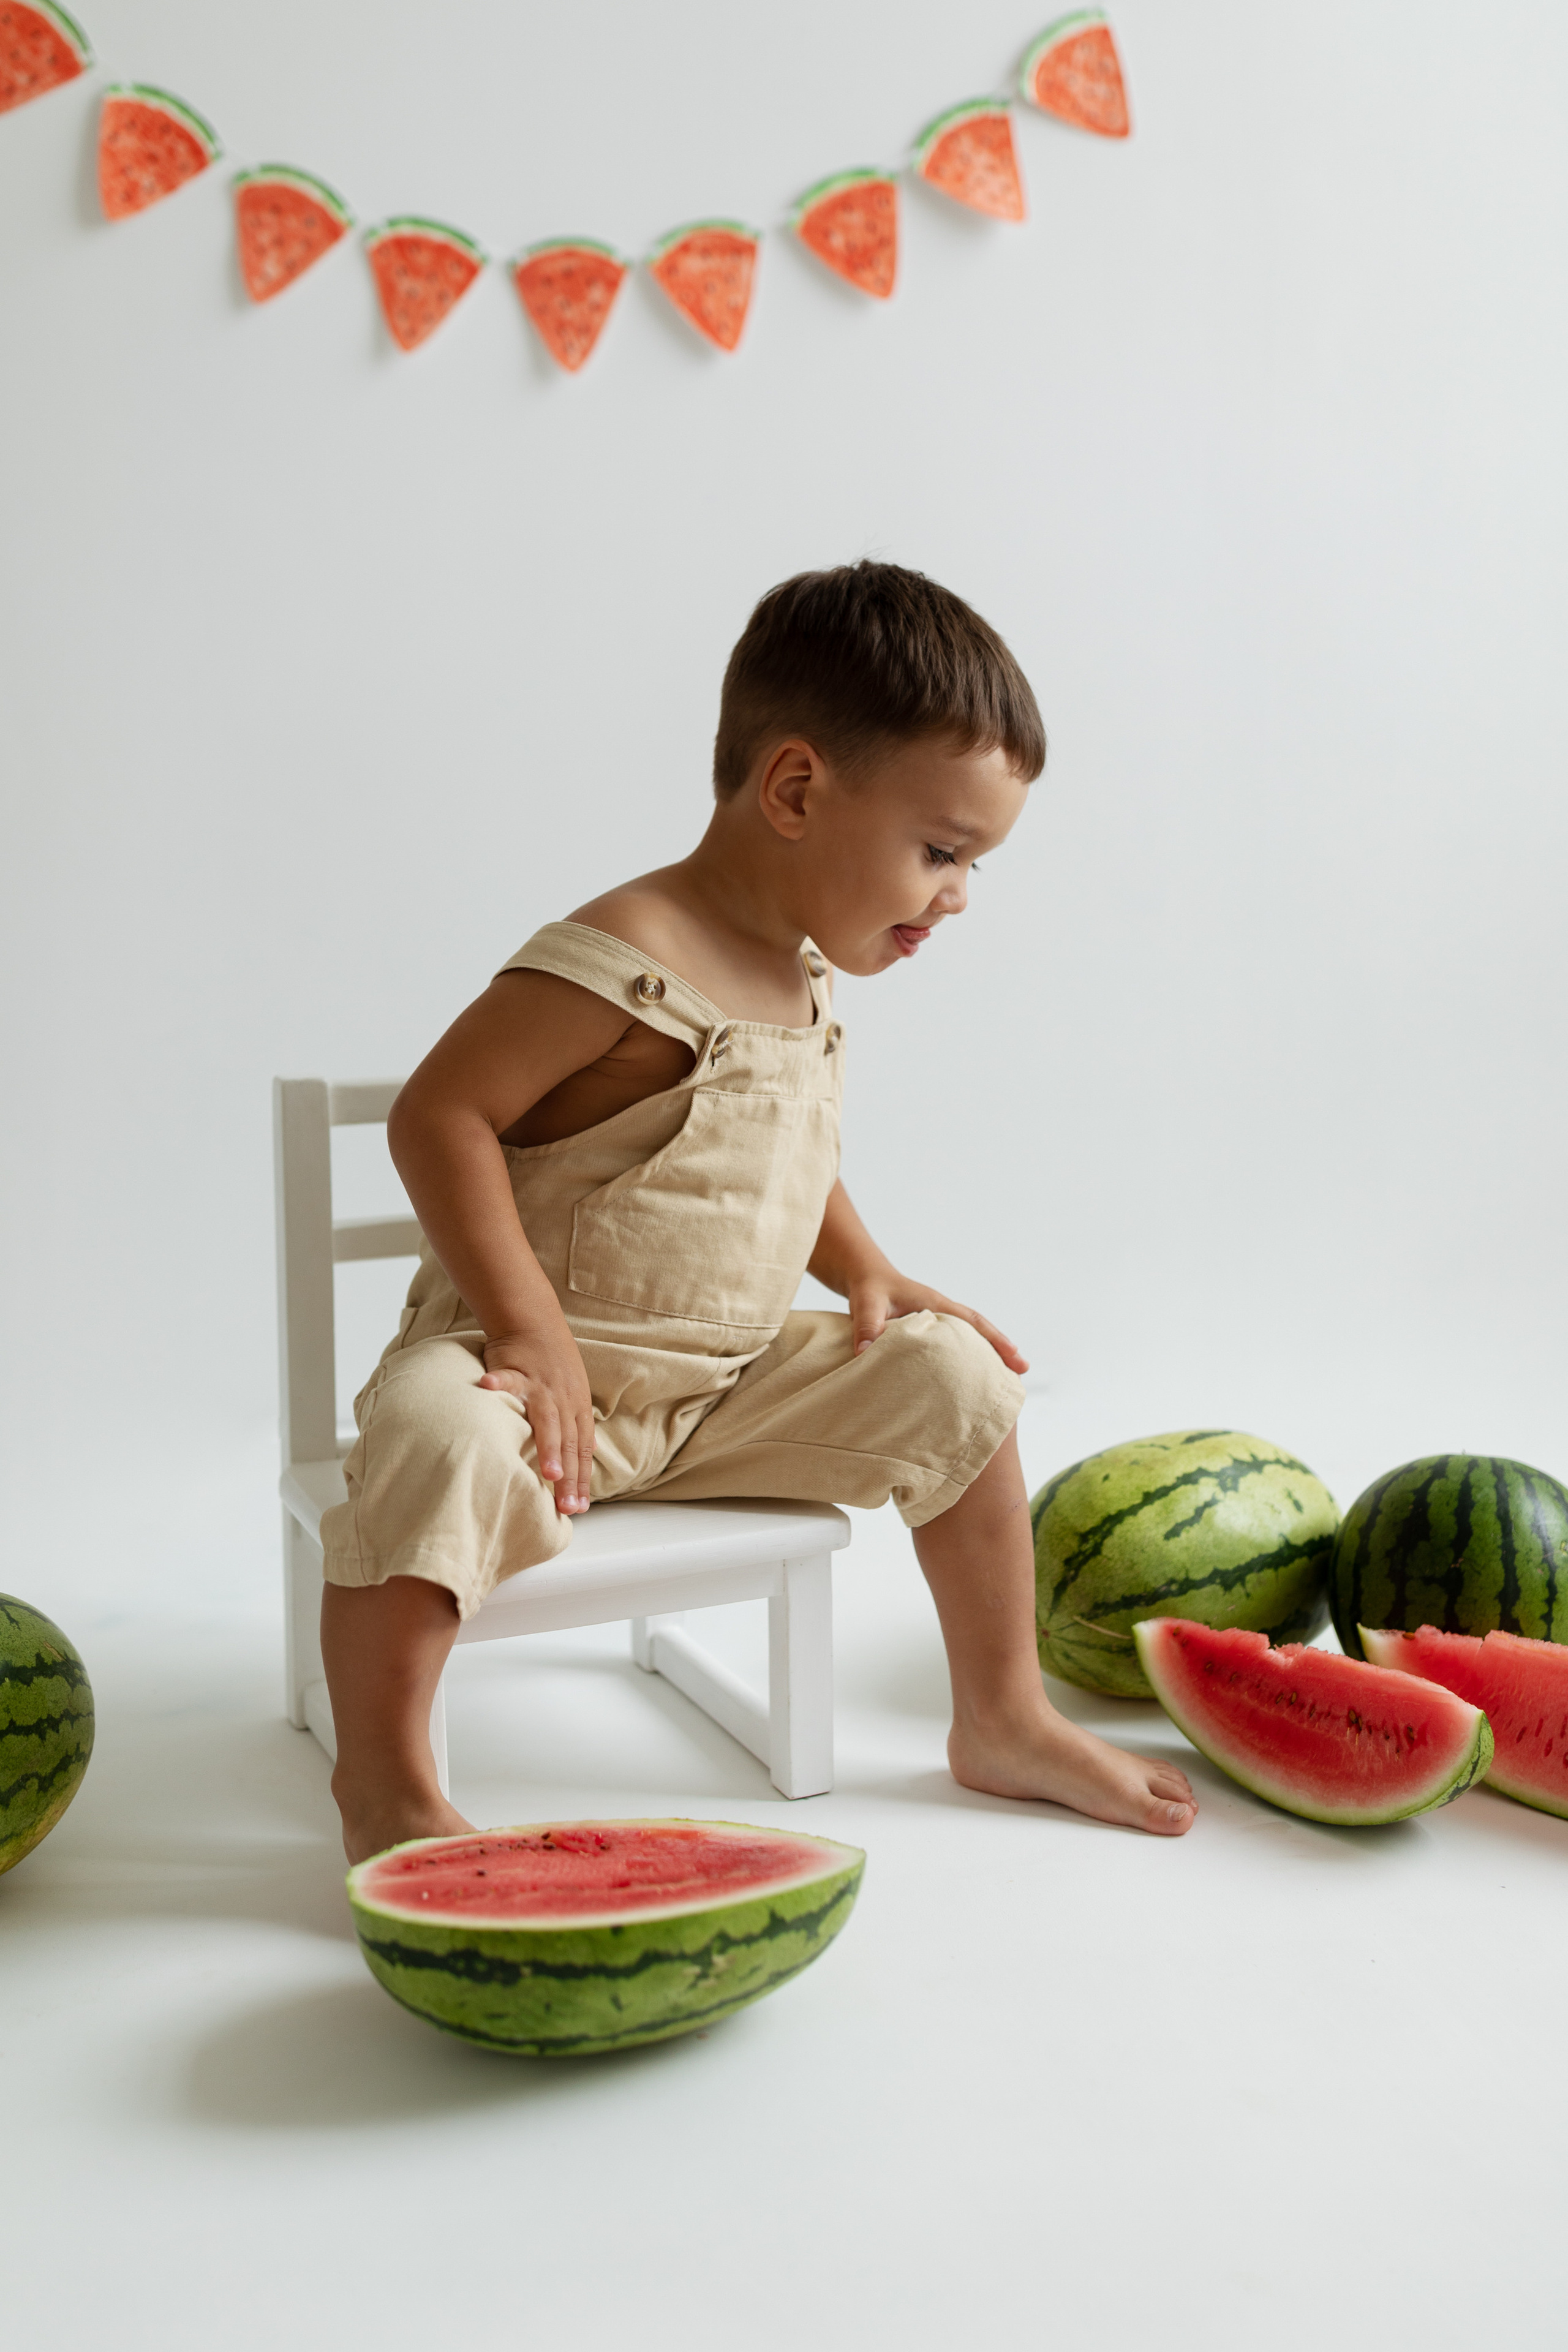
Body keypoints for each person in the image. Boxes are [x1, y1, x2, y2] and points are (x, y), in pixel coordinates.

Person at [319, 562, 1196, 1860]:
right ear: (794, 789)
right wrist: (524, 1328)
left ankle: (1003, 1716)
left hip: (717, 1393)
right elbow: (437, 1116)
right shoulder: (629, 953)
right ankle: (387, 1782)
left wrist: (865, 1269)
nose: (958, 893)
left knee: (956, 1375)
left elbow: (779, 1148)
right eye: (941, 852)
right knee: (436, 1440)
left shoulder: (798, 975)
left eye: (972, 863)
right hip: (528, 1387)